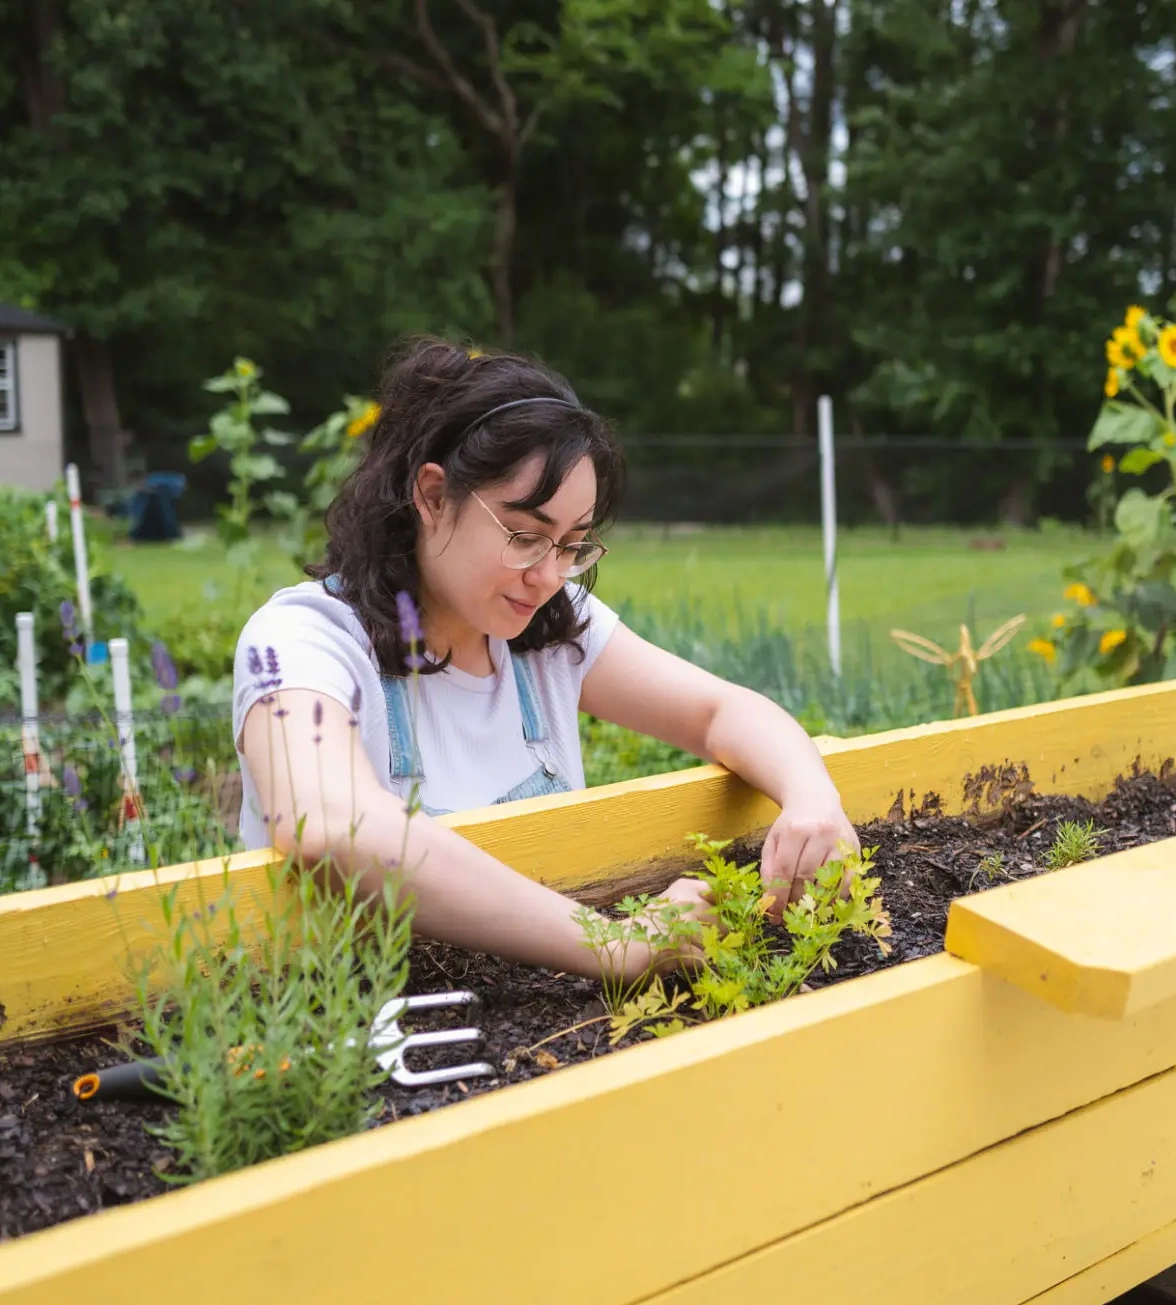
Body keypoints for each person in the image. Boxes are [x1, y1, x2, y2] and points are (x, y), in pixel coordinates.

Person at [234, 337, 859, 984]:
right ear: (431, 496)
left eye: (573, 545)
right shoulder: (302, 642)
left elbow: (720, 711)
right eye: (526, 537)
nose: (549, 576)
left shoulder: (549, 633)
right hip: (346, 1022)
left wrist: (812, 797)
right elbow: (331, 826)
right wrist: (612, 947)